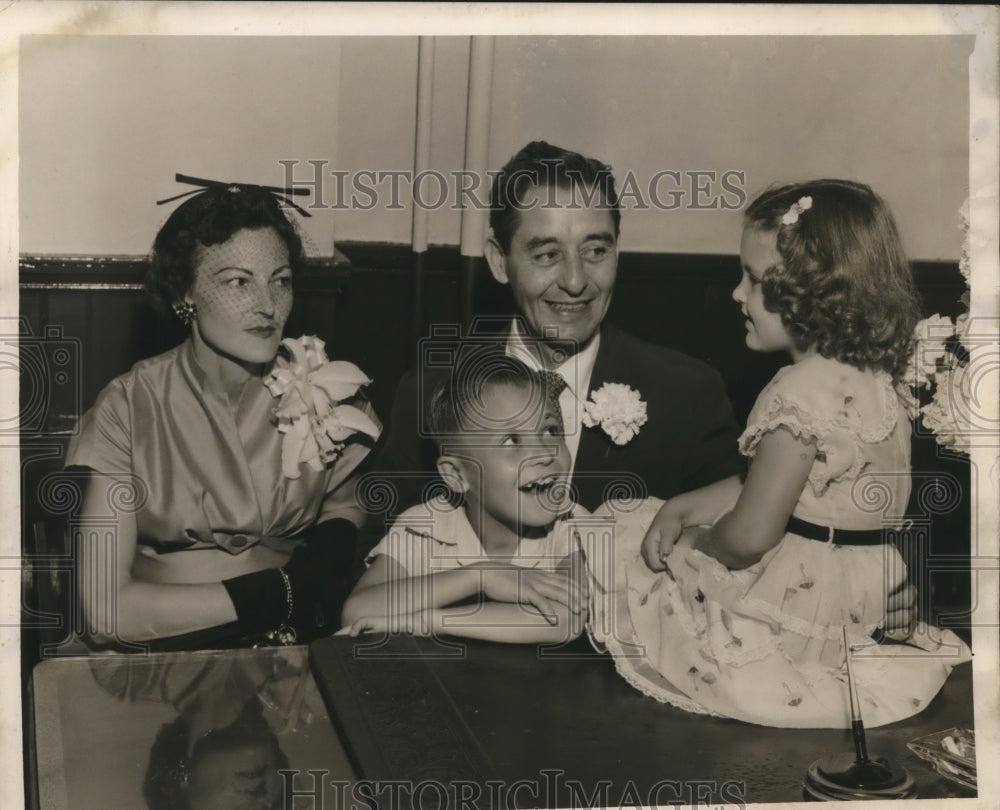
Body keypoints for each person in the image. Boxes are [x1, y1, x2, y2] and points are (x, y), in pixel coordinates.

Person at [367, 140, 916, 636]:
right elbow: (383, 558)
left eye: (597, 250)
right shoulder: (434, 388)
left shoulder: (687, 392)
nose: (577, 280)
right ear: (498, 261)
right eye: (547, 254)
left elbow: (781, 522)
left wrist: (869, 590)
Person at [587, 180, 971, 728]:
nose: (737, 294)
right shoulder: (879, 385)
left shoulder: (794, 393)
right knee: (654, 513)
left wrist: (698, 542)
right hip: (865, 603)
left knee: (624, 544)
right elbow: (794, 488)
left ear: (814, 294)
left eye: (754, 280)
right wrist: (683, 505)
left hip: (800, 612)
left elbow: (749, 536)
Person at [65, 179, 380, 647]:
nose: (269, 306)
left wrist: (328, 551)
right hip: (156, 656)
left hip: (288, 649)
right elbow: (106, 611)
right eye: (238, 282)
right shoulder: (128, 406)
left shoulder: (326, 387)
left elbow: (347, 501)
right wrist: (273, 594)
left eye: (281, 280)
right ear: (184, 294)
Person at [342, 352, 587, 644]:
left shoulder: (571, 526)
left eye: (550, 430)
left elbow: (565, 618)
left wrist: (430, 620)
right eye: (512, 440)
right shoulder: (425, 526)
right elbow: (356, 611)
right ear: (457, 475)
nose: (545, 454)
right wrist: (481, 575)